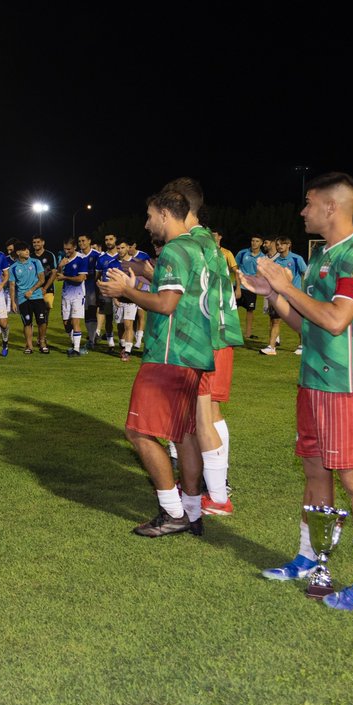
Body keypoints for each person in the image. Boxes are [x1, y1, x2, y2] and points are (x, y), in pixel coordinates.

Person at [247, 173, 353, 610]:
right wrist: (276, 296)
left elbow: (335, 319)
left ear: (330, 206)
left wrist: (286, 286)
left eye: (308, 203)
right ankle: (310, 557)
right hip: (312, 381)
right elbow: (307, 322)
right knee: (313, 472)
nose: (303, 211)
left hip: (347, 386)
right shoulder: (322, 255)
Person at [98, 190, 213, 537]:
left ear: (165, 213)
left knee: (139, 432)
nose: (147, 224)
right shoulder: (196, 247)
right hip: (192, 351)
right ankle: (192, 512)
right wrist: (144, 279)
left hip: (169, 353)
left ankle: (172, 511)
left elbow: (166, 304)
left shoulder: (176, 249)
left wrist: (126, 291)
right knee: (184, 434)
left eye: (150, 216)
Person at [162, 178, 243, 519]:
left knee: (202, 415)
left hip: (203, 340)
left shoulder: (191, 243)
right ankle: (209, 486)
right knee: (208, 414)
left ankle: (216, 493)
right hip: (219, 335)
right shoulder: (207, 242)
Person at [263, 236, 308, 356]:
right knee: (276, 321)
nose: (279, 246)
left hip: (294, 296)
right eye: (277, 244)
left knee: (299, 322)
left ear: (289, 245)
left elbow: (306, 274)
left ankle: (302, 345)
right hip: (279, 297)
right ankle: (271, 347)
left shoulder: (296, 258)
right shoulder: (275, 262)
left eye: (282, 244)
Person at [8, 241, 48, 354]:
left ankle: (42, 342)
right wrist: (13, 302)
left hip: (37, 297)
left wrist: (31, 290)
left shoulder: (36, 262)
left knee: (42, 321)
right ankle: (29, 346)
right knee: (27, 323)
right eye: (24, 250)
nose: (27, 251)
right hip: (22, 299)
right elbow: (12, 286)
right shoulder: (13, 268)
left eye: (27, 249)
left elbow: (42, 280)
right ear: (18, 252)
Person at [57, 238, 89, 356]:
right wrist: (60, 266)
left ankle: (76, 349)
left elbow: (80, 279)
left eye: (69, 249)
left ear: (75, 247)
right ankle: (75, 344)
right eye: (65, 249)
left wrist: (65, 277)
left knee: (75, 321)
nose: (67, 251)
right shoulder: (64, 259)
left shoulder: (82, 259)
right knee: (66, 324)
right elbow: (59, 275)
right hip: (66, 295)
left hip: (78, 295)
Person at [112, 238, 139, 360]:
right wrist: (114, 298)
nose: (120, 250)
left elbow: (139, 282)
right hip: (118, 299)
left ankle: (127, 351)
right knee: (120, 325)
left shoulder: (135, 263)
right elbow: (112, 282)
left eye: (122, 247)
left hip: (130, 299)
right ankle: (123, 345)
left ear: (128, 248)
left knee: (129, 324)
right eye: (118, 248)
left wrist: (133, 294)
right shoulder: (113, 263)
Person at [235, 235, 266, 340]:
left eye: (257, 241)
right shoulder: (242, 253)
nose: (254, 243)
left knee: (250, 310)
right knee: (232, 310)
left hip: (252, 289)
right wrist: (238, 287)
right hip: (239, 286)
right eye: (252, 240)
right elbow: (236, 270)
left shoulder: (263, 257)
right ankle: (231, 331)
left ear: (261, 243)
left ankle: (247, 334)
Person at [94, 233, 121, 350]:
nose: (108, 242)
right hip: (106, 291)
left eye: (111, 239)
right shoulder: (102, 258)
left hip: (120, 292)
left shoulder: (122, 256)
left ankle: (124, 341)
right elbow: (97, 276)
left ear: (116, 240)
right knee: (108, 316)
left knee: (122, 319)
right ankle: (110, 342)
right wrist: (100, 286)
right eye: (106, 240)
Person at [77, 234, 101, 346]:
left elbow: (100, 272)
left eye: (83, 241)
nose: (81, 243)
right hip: (79, 289)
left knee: (91, 312)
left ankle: (92, 338)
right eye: (79, 241)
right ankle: (90, 338)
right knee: (85, 314)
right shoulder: (77, 256)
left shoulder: (97, 255)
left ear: (89, 241)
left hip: (92, 289)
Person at [31, 236, 58, 313]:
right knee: (35, 311)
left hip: (48, 288)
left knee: (45, 312)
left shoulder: (49, 255)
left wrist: (45, 288)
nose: (36, 244)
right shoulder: (30, 257)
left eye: (38, 242)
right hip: (35, 289)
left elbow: (54, 273)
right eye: (34, 242)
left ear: (43, 242)